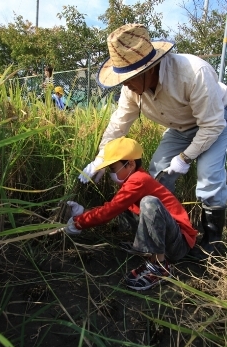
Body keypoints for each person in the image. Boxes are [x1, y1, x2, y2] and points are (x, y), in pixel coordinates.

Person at [78, 23, 227, 259]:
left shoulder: (193, 73)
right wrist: (100, 159)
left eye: (129, 78)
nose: (125, 84)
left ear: (149, 69)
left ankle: (212, 241)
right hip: (180, 127)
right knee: (158, 170)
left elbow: (212, 125)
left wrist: (185, 158)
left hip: (214, 120)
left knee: (208, 176)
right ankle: (162, 232)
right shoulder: (131, 89)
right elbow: (119, 124)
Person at [51, 137, 197, 291]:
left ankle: (160, 266)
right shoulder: (133, 180)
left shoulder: (139, 180)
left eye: (113, 169)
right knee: (124, 205)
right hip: (167, 239)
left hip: (177, 244)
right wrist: (84, 212)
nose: (111, 174)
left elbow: (109, 212)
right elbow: (113, 207)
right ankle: (147, 251)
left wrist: (79, 222)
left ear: (131, 164)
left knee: (149, 203)